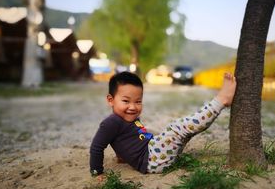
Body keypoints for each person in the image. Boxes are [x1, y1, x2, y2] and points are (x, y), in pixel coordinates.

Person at [90, 71, 236, 181]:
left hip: (154, 153)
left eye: (138, 101)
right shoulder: (111, 122)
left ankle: (218, 103)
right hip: (152, 160)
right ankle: (221, 101)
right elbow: (97, 147)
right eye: (126, 101)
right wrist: (97, 172)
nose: (133, 107)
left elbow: (124, 139)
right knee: (179, 128)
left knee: (179, 129)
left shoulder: (126, 119)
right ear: (111, 100)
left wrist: (121, 157)